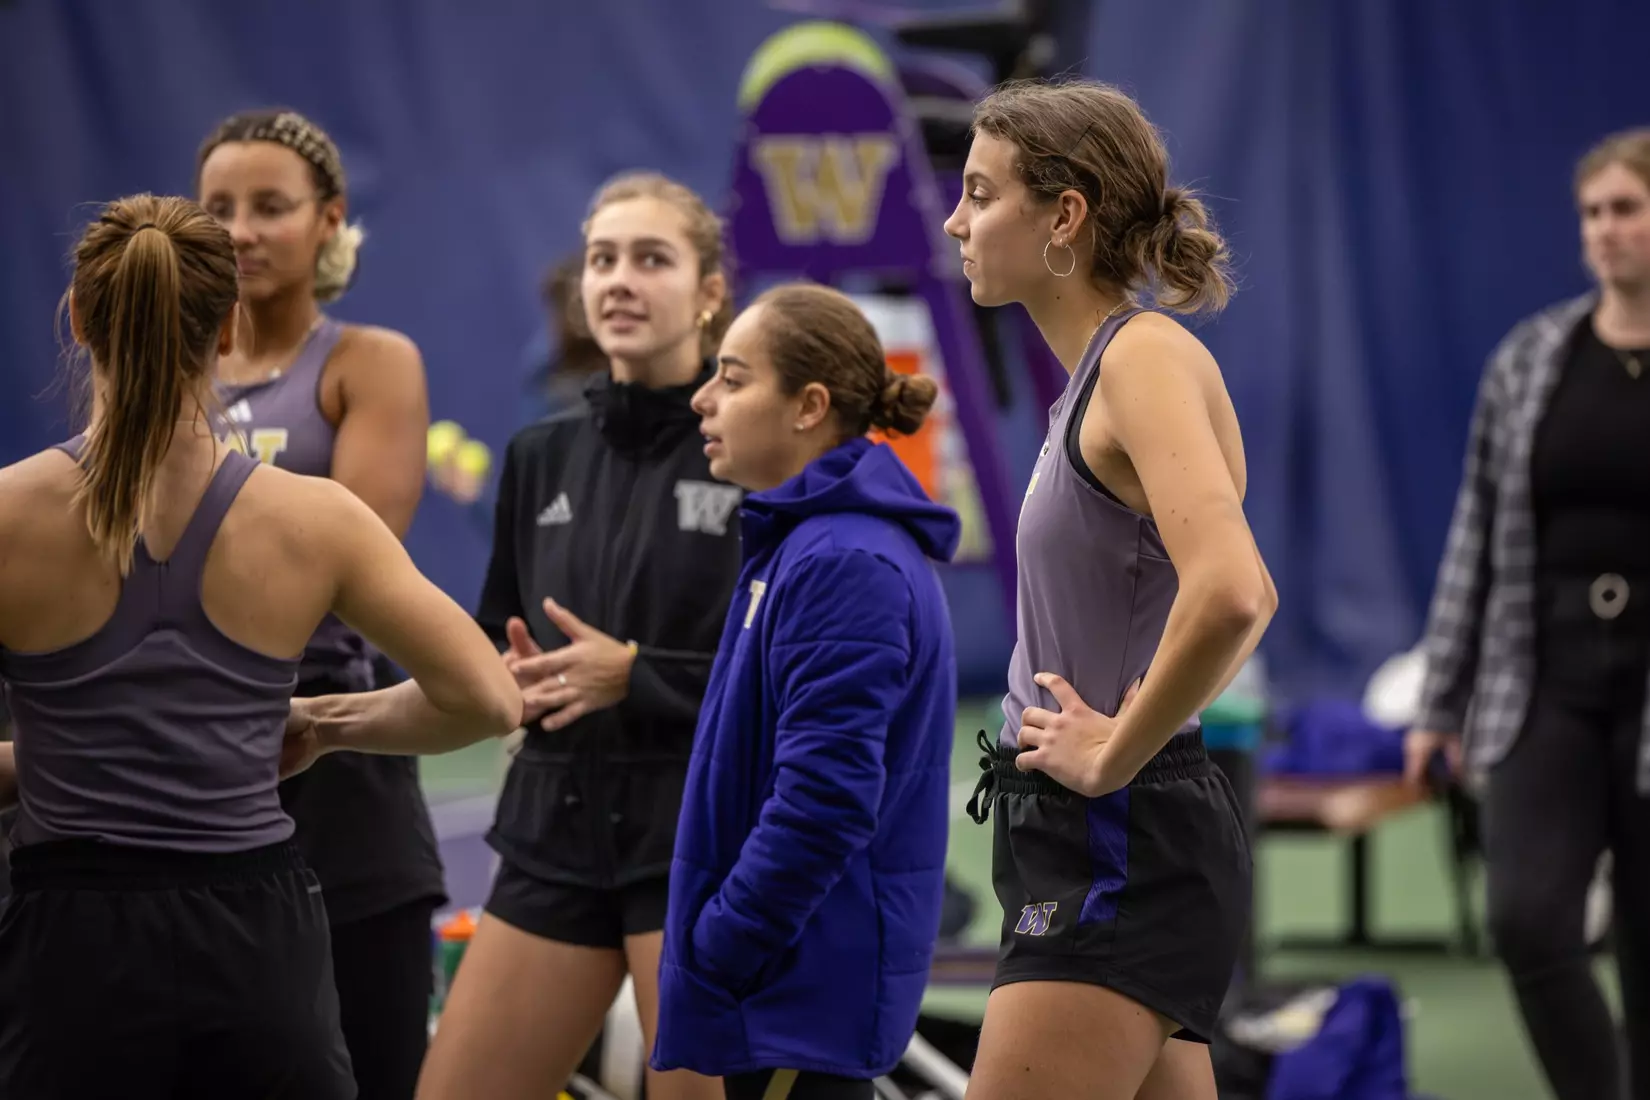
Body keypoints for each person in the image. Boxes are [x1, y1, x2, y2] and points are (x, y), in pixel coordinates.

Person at [0, 193, 523, 1100]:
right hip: (252, 943)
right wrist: (322, 724)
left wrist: (49, 763)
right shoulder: (310, 519)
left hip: (69, 948)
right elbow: (488, 699)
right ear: (229, 327)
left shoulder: (9, 515)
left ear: (80, 318)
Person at [942, 79, 1276, 1100]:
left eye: (980, 192)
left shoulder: (1145, 359)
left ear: (1065, 216)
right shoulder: (1097, 375)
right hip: (1095, 832)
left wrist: (1111, 750)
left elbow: (1235, 594)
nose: (954, 219)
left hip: (1116, 841)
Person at [417, 172, 741, 1100]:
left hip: (695, 846)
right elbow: (490, 654)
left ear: (709, 291)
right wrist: (341, 716)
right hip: (552, 836)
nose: (619, 282)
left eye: (651, 259)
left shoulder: (755, 452)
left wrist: (632, 675)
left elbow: (786, 674)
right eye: (602, 259)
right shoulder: (539, 456)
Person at [648, 284, 960, 1100]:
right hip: (785, 996)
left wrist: (723, 944)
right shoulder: (807, 546)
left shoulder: (843, 563)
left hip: (794, 997)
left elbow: (824, 799)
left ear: (809, 406)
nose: (703, 398)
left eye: (734, 378)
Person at [196, 107, 447, 1100]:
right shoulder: (164, 373)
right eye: (218, 208)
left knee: (372, 1063)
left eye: (270, 206)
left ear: (329, 219)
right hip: (187, 768)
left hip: (333, 760)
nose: (242, 231)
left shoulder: (369, 361)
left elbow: (356, 554)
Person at [1406, 128, 1650, 1100]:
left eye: (1626, 208)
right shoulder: (1532, 359)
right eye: (1592, 213)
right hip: (1543, 675)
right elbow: (1474, 538)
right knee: (1527, 917)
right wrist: (1438, 703)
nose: (1606, 230)